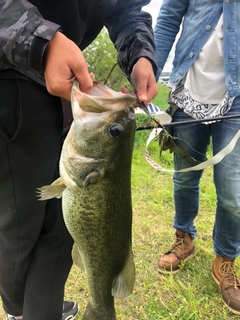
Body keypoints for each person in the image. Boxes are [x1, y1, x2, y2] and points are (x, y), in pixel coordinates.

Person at [0, 1, 158, 319]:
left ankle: (40, 306)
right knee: (20, 224)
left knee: (59, 231)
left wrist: (140, 52)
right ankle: (22, 309)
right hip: (13, 80)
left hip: (66, 91)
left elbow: (126, 9)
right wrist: (42, 41)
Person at [154, 0, 240, 315]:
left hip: (237, 101)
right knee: (185, 178)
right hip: (187, 93)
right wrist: (149, 69)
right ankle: (184, 238)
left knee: (233, 194)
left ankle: (225, 260)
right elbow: (167, 18)